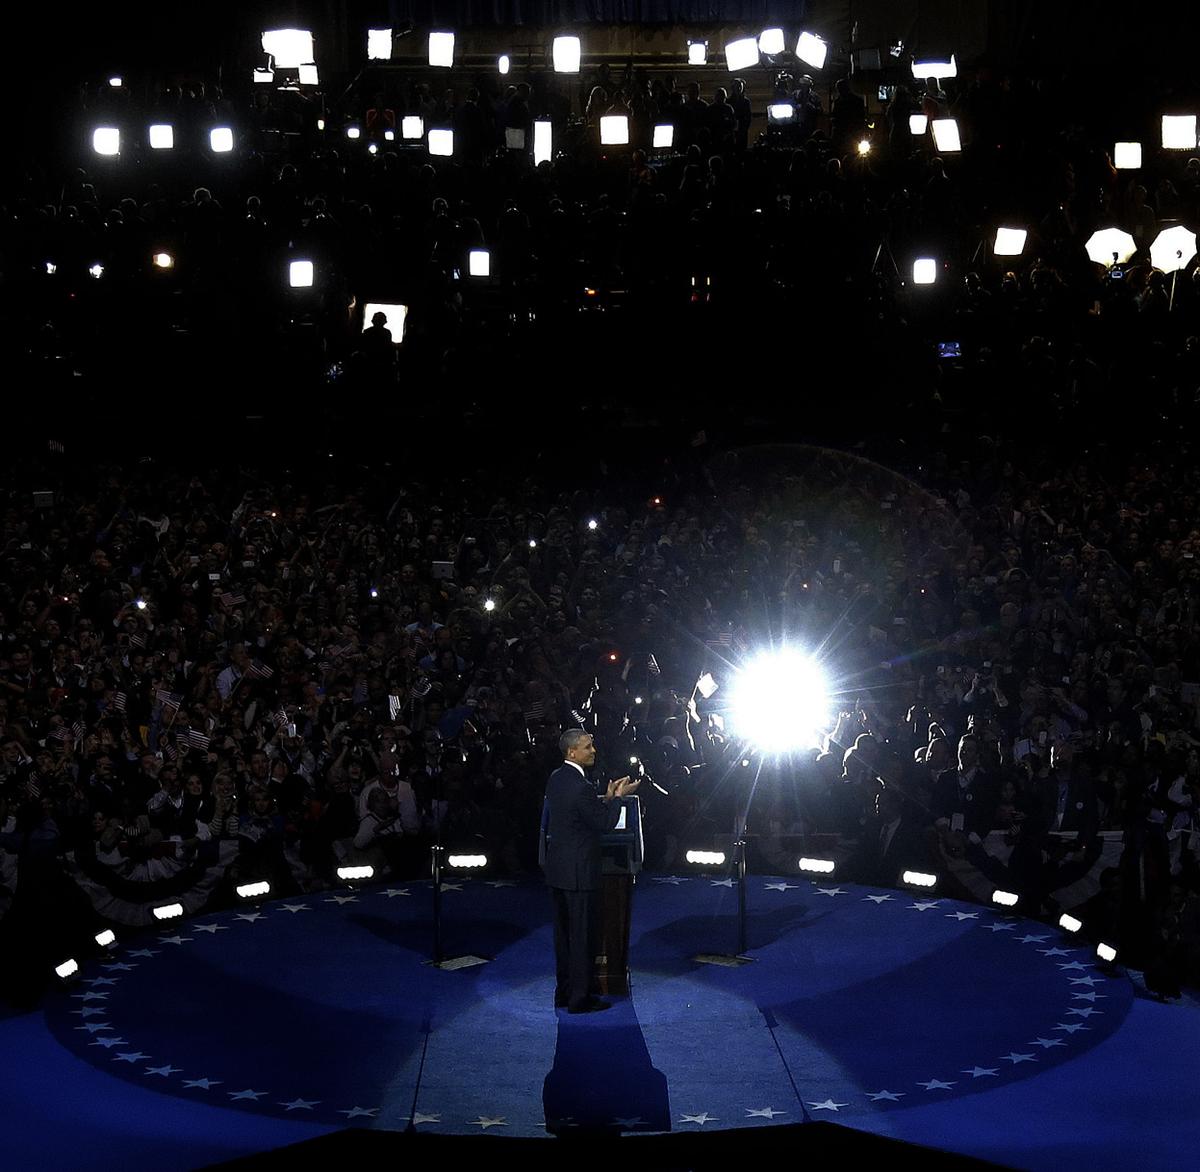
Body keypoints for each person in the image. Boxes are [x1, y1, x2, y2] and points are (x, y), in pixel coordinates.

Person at [541, 728, 639, 1013]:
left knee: (564, 938)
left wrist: (606, 799)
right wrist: (618, 798)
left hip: (559, 872)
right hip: (580, 874)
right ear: (572, 752)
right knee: (582, 938)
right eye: (587, 746)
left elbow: (581, 815)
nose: (593, 750)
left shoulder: (557, 779)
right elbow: (604, 824)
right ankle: (580, 1000)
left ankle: (565, 992)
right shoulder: (581, 787)